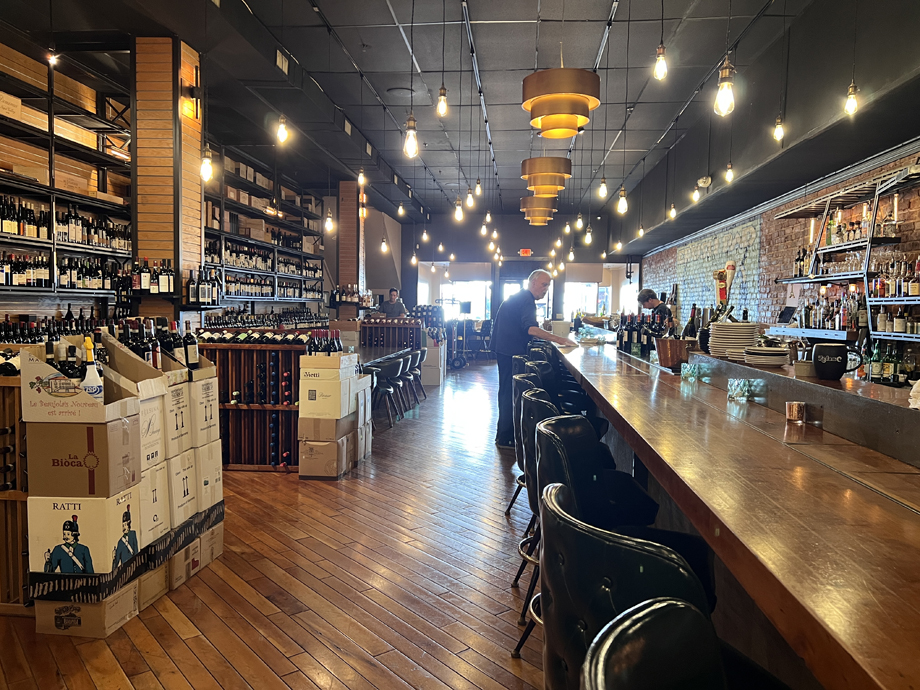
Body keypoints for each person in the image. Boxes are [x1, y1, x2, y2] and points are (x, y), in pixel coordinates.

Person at [491, 270, 577, 449]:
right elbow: (530, 329)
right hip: (509, 351)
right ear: (533, 282)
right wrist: (560, 339)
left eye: (548, 285)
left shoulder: (521, 297)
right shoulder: (527, 300)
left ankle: (506, 434)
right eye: (544, 284)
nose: (546, 289)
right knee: (508, 392)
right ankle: (505, 437)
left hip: (505, 349)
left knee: (507, 391)